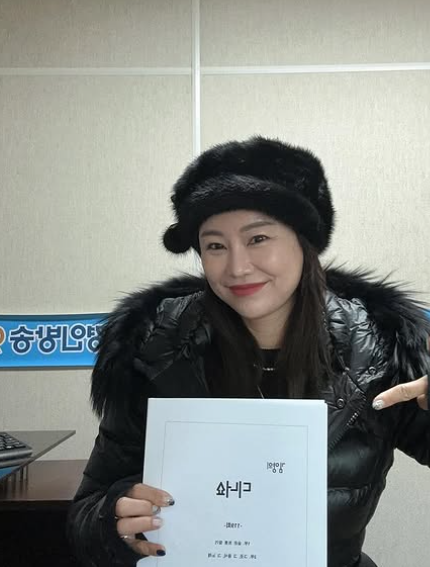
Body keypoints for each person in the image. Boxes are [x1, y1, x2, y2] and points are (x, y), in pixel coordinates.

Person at [67, 136, 430, 567]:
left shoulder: (377, 348)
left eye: (258, 238)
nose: (237, 267)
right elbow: (87, 513)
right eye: (215, 245)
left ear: (304, 241)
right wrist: (114, 521)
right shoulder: (155, 346)